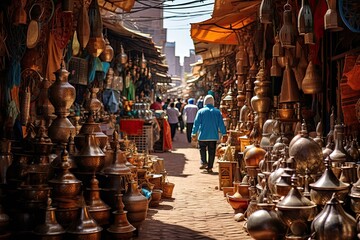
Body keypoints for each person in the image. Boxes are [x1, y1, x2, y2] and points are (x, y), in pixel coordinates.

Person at [191, 95, 227, 173]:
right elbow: (221, 124)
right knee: (212, 152)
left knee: (202, 149)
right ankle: (210, 167)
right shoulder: (217, 112)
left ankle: (204, 162)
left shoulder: (200, 111)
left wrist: (193, 133)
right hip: (213, 136)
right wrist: (224, 134)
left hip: (202, 135)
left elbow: (196, 124)